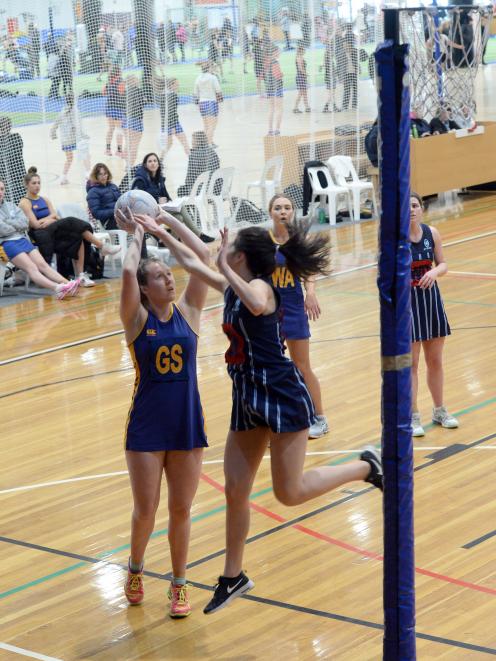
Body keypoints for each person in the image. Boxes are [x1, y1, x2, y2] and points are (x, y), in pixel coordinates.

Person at [133, 214, 383, 616]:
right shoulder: (233, 284)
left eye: (228, 249)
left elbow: (254, 301)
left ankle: (365, 467)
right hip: (246, 396)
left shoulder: (261, 287)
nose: (220, 251)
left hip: (280, 394)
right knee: (236, 489)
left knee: (289, 492)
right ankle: (233, 576)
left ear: (242, 256)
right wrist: (162, 229)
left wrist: (221, 270)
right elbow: (193, 261)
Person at [115, 208, 210, 618]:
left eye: (169, 273)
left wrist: (167, 223)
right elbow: (126, 274)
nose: (169, 278)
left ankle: (179, 584)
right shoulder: (135, 319)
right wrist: (137, 233)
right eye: (159, 276)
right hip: (146, 427)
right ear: (145, 289)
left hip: (187, 423)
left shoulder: (189, 311)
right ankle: (135, 569)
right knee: (146, 510)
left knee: (181, 510)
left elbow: (203, 259)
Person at [269, 195, 329, 438]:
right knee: (273, 367)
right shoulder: (263, 241)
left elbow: (310, 270)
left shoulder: (298, 241)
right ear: (270, 212)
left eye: (287, 207)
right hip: (269, 312)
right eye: (277, 208)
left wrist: (310, 292)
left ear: (292, 212)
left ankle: (320, 417)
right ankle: (279, 418)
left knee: (302, 365)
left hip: (293, 310)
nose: (283, 211)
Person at [409, 192, 459, 436]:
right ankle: (413, 416)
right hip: (407, 305)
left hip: (431, 301)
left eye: (415, 205)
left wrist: (434, 272)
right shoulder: (394, 239)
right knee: (412, 364)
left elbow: (444, 264)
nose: (411, 210)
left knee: (435, 360)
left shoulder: (432, 233)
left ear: (421, 209)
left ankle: (439, 410)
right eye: (406, 206)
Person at [19, 167, 116, 286]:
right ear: (26, 185)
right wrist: (51, 218)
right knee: (70, 220)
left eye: (39, 183)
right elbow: (35, 224)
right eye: (34, 183)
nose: (37, 186)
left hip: (52, 229)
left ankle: (81, 276)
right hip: (39, 234)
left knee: (78, 235)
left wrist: (50, 220)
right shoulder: (25, 202)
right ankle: (101, 246)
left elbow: (56, 217)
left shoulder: (45, 199)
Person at [0, 179, 80, 299]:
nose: (0, 192)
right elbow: (3, 229)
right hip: (6, 243)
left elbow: (24, 223)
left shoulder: (11, 205)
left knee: (43, 265)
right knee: (31, 268)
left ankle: (68, 284)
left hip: (21, 239)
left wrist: (9, 223)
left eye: (2, 189)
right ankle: (57, 288)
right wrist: (13, 224)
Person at [131, 153, 213, 242]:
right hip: (148, 212)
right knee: (182, 208)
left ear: (158, 164)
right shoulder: (140, 180)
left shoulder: (159, 179)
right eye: (150, 161)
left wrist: (170, 202)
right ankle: (198, 235)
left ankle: (169, 242)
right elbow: (141, 199)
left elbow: (166, 196)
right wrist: (157, 200)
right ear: (145, 165)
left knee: (179, 217)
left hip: (160, 208)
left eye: (155, 161)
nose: (153, 163)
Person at [50, 93, 91, 184]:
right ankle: (88, 175)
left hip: (65, 141)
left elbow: (55, 124)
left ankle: (63, 177)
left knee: (69, 159)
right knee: (86, 154)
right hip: (74, 139)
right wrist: (84, 136)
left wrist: (53, 133)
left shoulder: (62, 110)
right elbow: (76, 127)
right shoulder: (75, 111)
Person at [177, 131, 219, 197]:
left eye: (193, 141)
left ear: (198, 141)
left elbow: (189, 179)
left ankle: (193, 207)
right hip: (215, 189)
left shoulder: (193, 155)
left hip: (200, 190)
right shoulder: (213, 152)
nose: (192, 143)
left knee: (181, 190)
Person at [157, 78, 190, 156]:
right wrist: (172, 126)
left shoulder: (163, 94)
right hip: (172, 123)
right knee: (184, 141)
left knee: (170, 143)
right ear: (171, 85)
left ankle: (160, 160)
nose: (178, 86)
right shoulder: (172, 95)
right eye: (176, 84)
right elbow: (171, 112)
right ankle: (192, 159)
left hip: (165, 124)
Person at [193, 62, 223, 147]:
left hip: (202, 103)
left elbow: (195, 92)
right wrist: (220, 100)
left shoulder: (198, 78)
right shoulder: (213, 77)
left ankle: (209, 142)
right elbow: (218, 90)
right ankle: (208, 144)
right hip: (211, 102)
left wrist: (197, 103)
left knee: (206, 125)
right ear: (209, 68)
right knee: (212, 125)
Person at [86, 163, 121, 230]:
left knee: (139, 221)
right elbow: (96, 213)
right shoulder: (93, 192)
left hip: (119, 217)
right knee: (135, 225)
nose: (103, 176)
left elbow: (121, 201)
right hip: (108, 222)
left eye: (105, 174)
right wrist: (114, 211)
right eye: (100, 174)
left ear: (108, 174)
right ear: (95, 176)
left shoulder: (113, 186)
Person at [0, 116, 26, 205]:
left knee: (22, 201)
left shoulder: (16, 137)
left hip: (18, 176)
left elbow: (12, 154)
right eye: (3, 126)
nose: (6, 128)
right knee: (8, 202)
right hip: (5, 179)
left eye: (7, 125)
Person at [122, 76, 145, 166]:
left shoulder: (126, 92)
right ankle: (130, 165)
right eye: (136, 79)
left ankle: (127, 164)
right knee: (135, 145)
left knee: (128, 143)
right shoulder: (139, 91)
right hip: (137, 120)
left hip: (127, 119)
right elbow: (142, 103)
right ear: (132, 81)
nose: (138, 80)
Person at [104, 65, 126, 156]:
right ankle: (119, 150)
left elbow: (104, 92)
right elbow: (122, 93)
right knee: (119, 130)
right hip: (118, 108)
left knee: (111, 129)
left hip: (109, 108)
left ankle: (108, 149)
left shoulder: (108, 82)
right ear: (118, 72)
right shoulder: (121, 81)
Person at [264, 45, 284, 136]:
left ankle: (270, 130)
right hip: (277, 87)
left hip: (269, 87)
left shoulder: (267, 62)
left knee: (271, 109)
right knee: (279, 109)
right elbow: (277, 75)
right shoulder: (275, 62)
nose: (279, 53)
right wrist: (281, 74)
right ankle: (277, 130)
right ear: (275, 52)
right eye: (278, 51)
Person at [293, 46, 310, 113]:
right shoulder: (299, 58)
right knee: (300, 93)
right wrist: (306, 74)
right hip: (301, 77)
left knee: (305, 93)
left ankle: (307, 107)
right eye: (304, 50)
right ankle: (295, 107)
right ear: (301, 51)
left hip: (302, 77)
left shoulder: (300, 57)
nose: (305, 51)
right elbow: (300, 69)